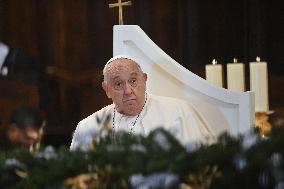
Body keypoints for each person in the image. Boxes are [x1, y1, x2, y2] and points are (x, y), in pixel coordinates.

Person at [70, 55, 216, 151]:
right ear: (107, 89)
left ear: (145, 80)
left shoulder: (180, 112)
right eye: (118, 84)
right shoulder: (89, 127)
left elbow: (207, 163)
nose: (128, 90)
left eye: (133, 81)